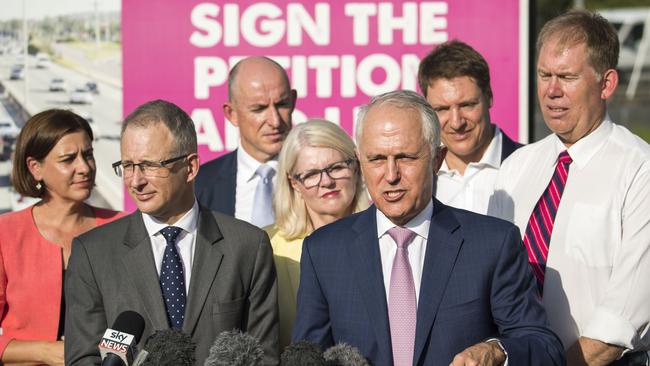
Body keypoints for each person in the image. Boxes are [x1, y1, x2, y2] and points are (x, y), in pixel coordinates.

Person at [293, 90, 565, 366]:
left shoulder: (492, 244)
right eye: (376, 159)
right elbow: (307, 357)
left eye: (406, 157)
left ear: (437, 159)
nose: (391, 175)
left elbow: (543, 345)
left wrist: (496, 351)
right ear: (360, 161)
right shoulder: (324, 252)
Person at [489, 10, 650, 365]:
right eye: (544, 75)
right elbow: (490, 285)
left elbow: (620, 322)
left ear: (606, 84)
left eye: (567, 76)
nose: (551, 91)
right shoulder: (517, 167)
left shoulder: (640, 170)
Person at [64, 100, 279, 365]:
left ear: (190, 167)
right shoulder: (93, 253)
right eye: (128, 165)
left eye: (150, 165)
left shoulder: (247, 247)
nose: (136, 181)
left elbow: (263, 356)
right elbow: (84, 358)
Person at [0, 109, 123, 365]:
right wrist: (45, 351)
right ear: (35, 168)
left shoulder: (123, 228)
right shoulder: (5, 234)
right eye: (68, 159)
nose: (84, 167)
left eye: (88, 155)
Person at [265, 119, 369, 349]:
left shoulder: (389, 234)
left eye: (336, 167)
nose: (327, 182)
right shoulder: (268, 247)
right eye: (311, 174)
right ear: (294, 184)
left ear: (355, 166)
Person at [418, 40, 521, 214]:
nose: (457, 122)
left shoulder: (532, 166)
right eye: (442, 109)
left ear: (489, 97)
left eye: (467, 105)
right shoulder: (418, 179)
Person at [195, 56, 297, 228]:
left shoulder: (319, 177)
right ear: (231, 114)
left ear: (293, 101)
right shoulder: (199, 185)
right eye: (259, 109)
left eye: (282, 104)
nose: (275, 121)